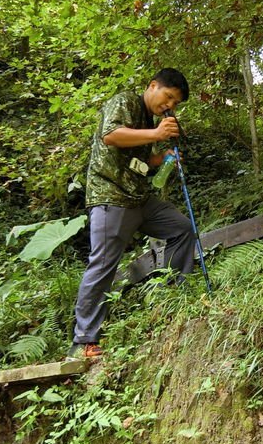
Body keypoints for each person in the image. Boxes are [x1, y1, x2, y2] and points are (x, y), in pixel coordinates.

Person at [69, 68, 196, 359]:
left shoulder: (148, 120)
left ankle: (175, 298)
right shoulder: (125, 102)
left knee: (181, 228)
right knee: (103, 264)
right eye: (168, 97)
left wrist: (161, 158)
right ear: (153, 86)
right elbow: (111, 136)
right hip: (110, 197)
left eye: (175, 103)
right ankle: (83, 341)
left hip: (139, 198)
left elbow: (138, 160)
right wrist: (156, 133)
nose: (170, 106)